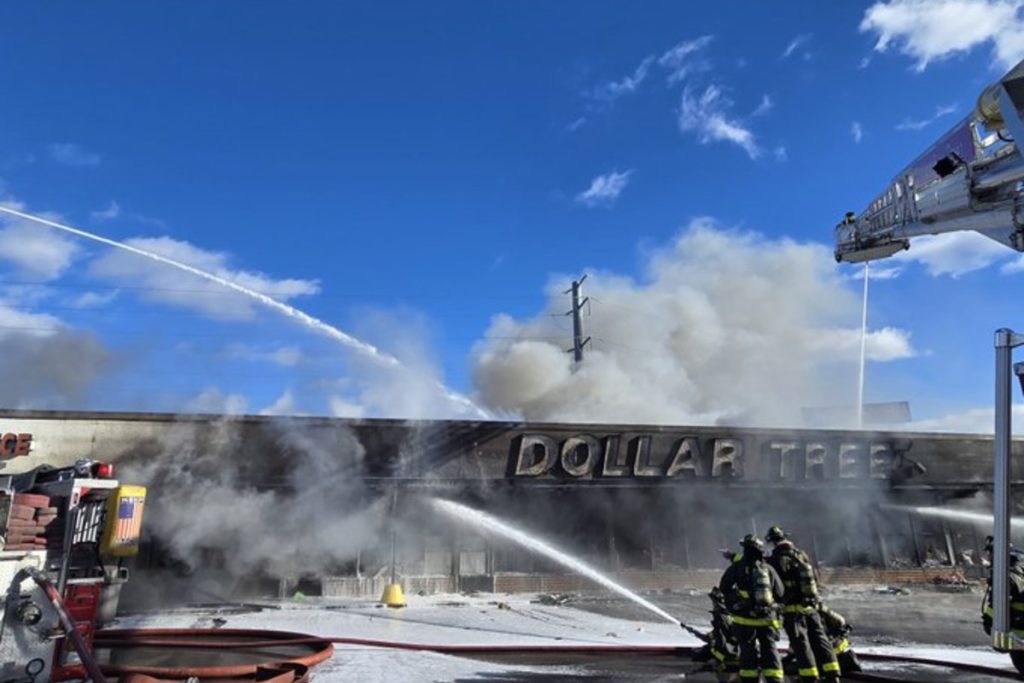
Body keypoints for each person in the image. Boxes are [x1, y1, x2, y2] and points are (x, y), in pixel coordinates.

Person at [765, 525, 841, 682]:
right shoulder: (802, 555)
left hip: (792, 611)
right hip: (811, 607)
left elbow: (775, 587)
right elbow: (815, 579)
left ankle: (809, 676)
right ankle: (833, 674)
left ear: (772, 541)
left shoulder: (774, 560)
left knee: (801, 644)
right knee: (821, 640)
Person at [719, 534, 785, 682]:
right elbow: (780, 592)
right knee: (770, 649)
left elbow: (724, 588)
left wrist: (735, 604)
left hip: (745, 620)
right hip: (767, 619)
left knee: (748, 651)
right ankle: (775, 679)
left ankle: (750, 679)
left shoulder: (737, 567)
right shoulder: (768, 569)